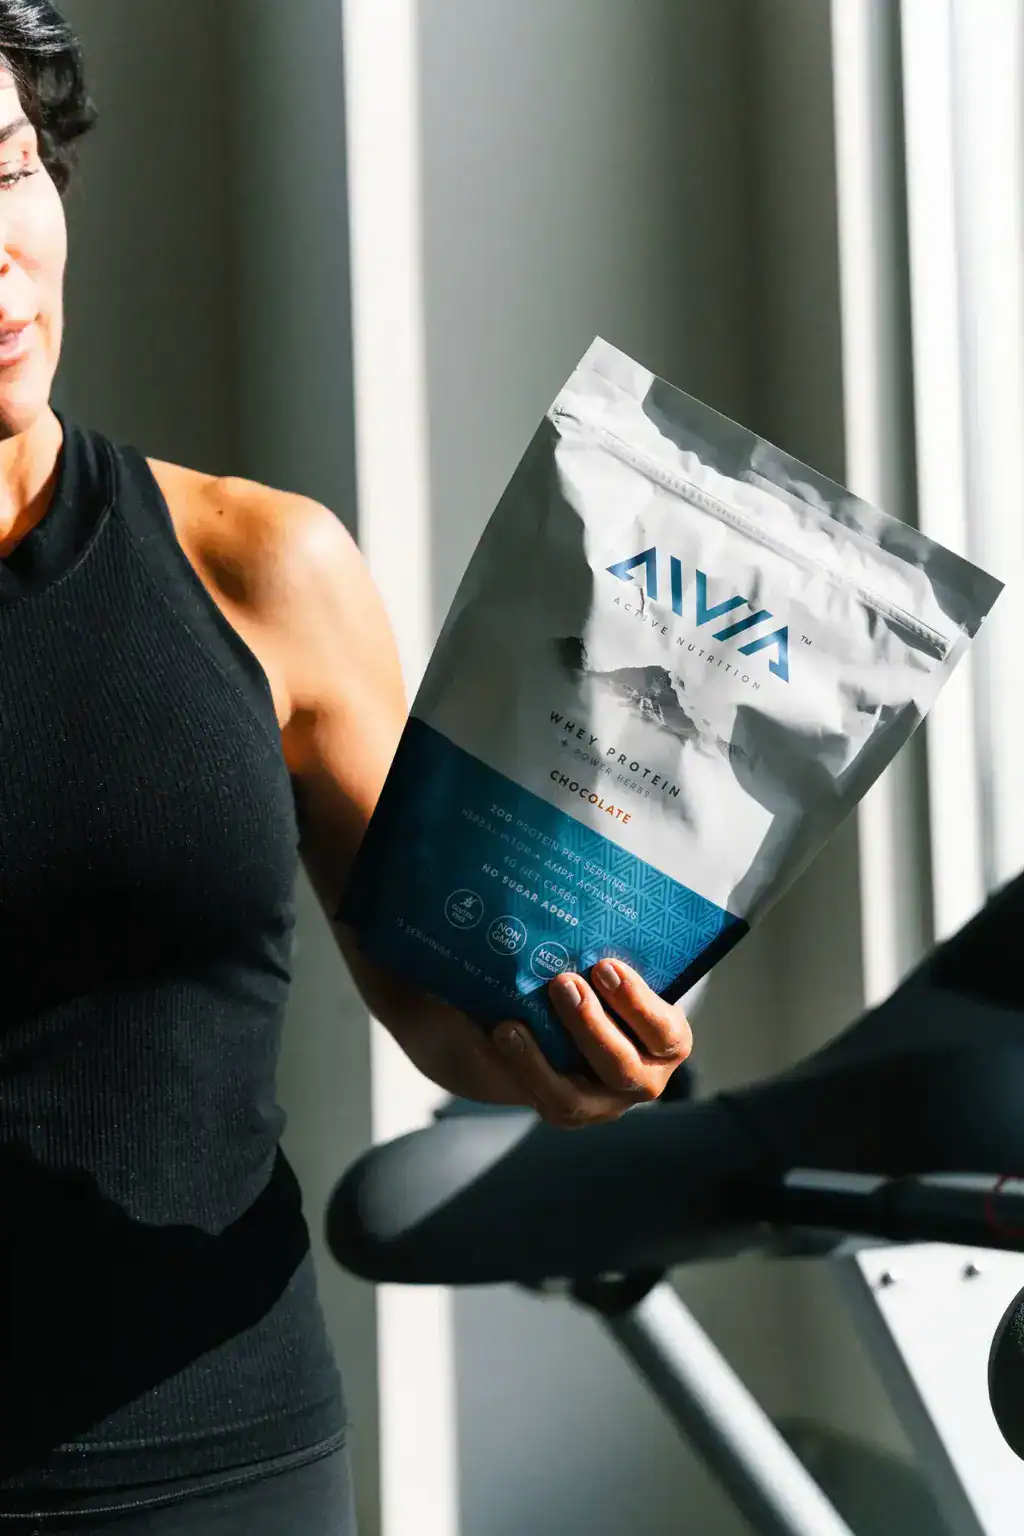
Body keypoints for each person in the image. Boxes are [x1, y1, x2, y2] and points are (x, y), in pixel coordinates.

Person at [0, 4, 693, 1531]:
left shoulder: (260, 567)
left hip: (209, 1458)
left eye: (11, 170)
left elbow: (443, 1000)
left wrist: (565, 1058)